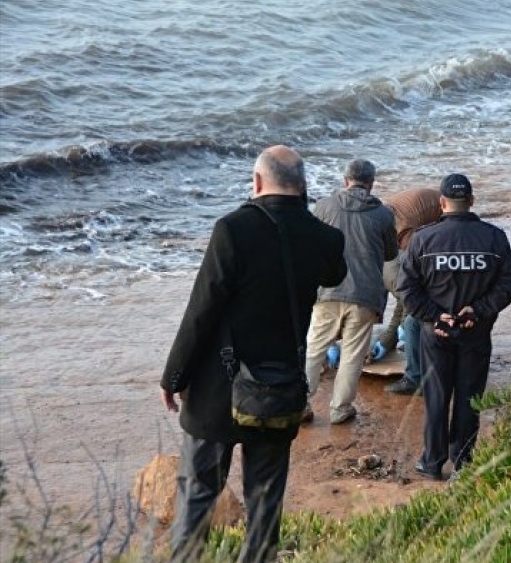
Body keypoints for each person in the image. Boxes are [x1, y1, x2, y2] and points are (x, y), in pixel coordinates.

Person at [159, 145, 347, 563]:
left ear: (258, 182)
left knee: (198, 493)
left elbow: (201, 311)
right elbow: (335, 272)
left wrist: (173, 376)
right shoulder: (325, 237)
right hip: (278, 386)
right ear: (302, 186)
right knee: (265, 501)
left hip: (216, 389)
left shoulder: (232, 230)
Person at [396, 173, 511, 480]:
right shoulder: (493, 237)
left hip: (435, 334)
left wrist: (435, 316)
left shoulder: (423, 239)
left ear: (441, 203)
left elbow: (406, 289)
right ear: (472, 202)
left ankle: (432, 462)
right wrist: (476, 312)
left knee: (437, 397)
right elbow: (509, 284)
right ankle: (463, 461)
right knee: (469, 397)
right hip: (475, 332)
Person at [304, 158, 398, 424]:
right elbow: (391, 253)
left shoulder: (323, 206)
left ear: (345, 181)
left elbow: (309, 243)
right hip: (365, 294)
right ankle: (339, 409)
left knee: (314, 349)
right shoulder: (383, 214)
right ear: (371, 184)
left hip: (326, 291)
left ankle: (299, 405)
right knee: (353, 355)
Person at [375, 187, 443, 395]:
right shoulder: (383, 221)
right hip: (433, 212)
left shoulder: (406, 235)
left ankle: (414, 378)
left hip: (437, 216)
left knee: (413, 321)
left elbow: (407, 300)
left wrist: (388, 339)